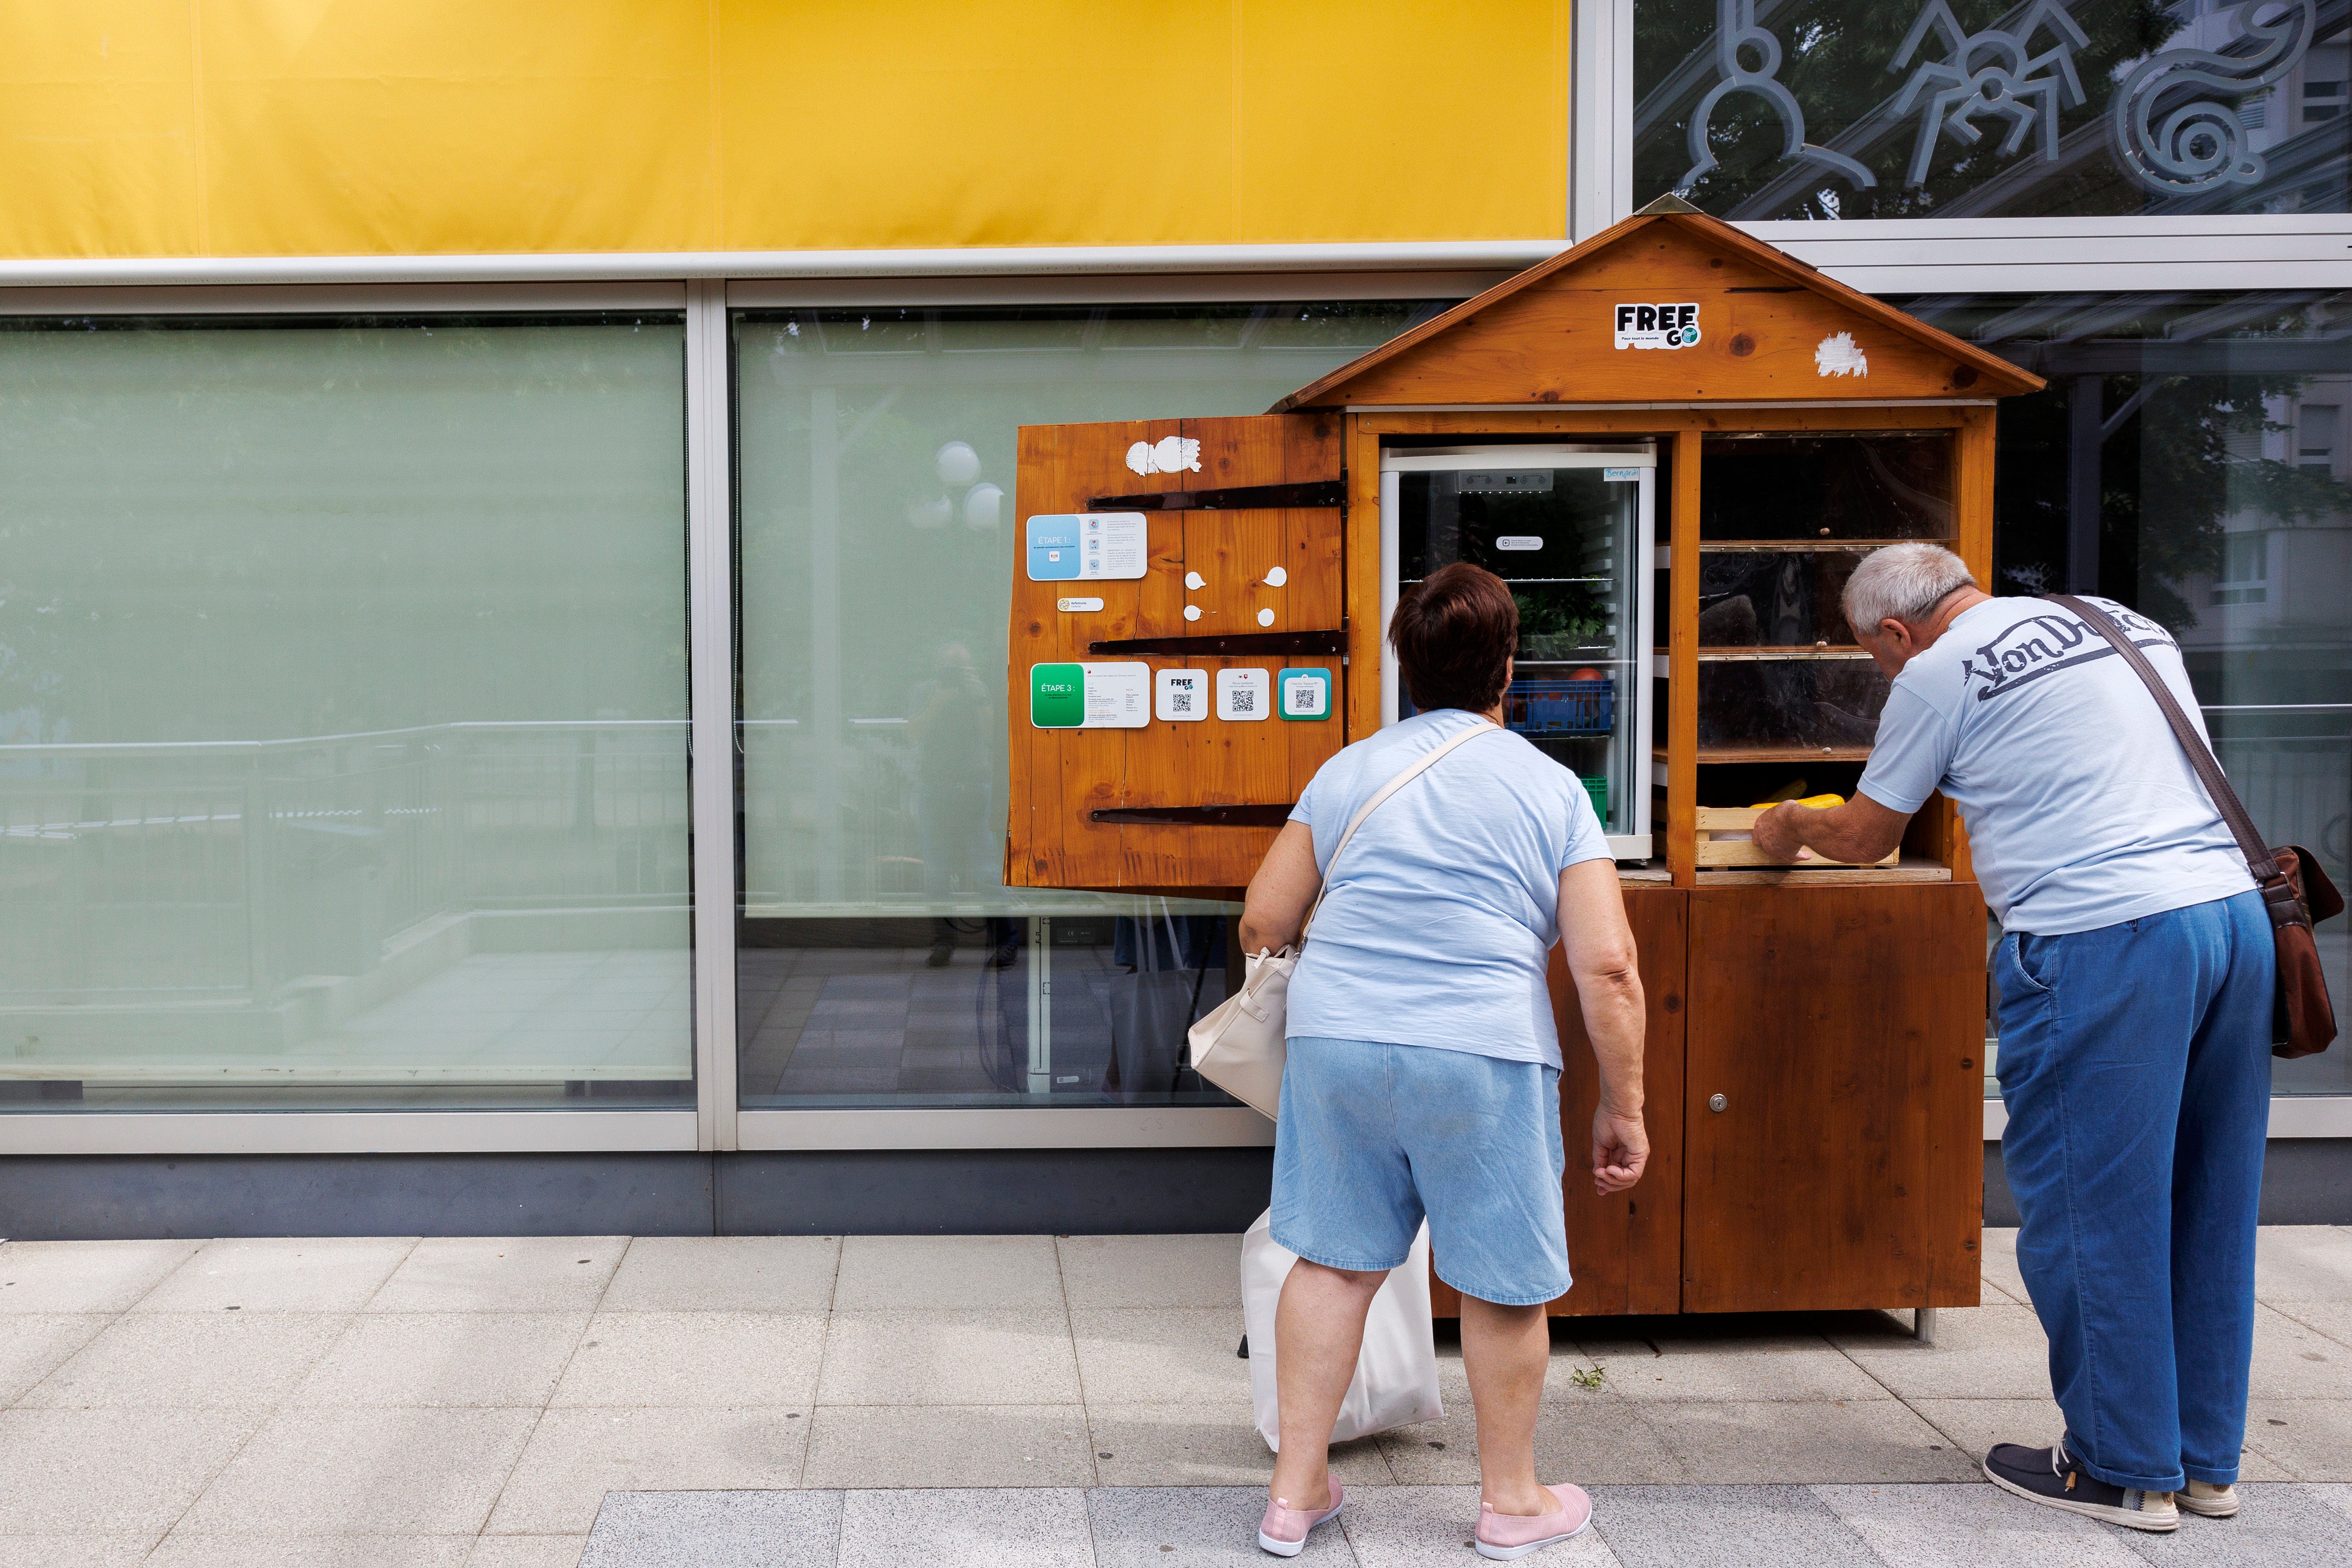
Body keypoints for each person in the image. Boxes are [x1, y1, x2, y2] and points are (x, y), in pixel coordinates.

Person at [1753, 542, 2268, 1534]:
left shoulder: (1940, 670)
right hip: (2232, 923)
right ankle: (2202, 1464)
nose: (1885, 676)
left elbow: (1868, 836)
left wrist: (1782, 825)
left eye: (1877, 660)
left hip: (2103, 936)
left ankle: (2119, 1468)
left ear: (1896, 633)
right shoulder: (2121, 620)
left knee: (2094, 1209)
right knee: (2205, 1201)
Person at [1236, 561, 1649, 1560]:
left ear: (1403, 666)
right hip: (1482, 1050)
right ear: (1507, 664)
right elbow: (1606, 964)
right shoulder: (1549, 789)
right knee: (1503, 1287)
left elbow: (1262, 918)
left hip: (1337, 1043)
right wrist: (1622, 1107)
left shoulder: (1346, 772)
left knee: (1332, 1264)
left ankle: (1295, 1496)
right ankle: (1510, 1502)